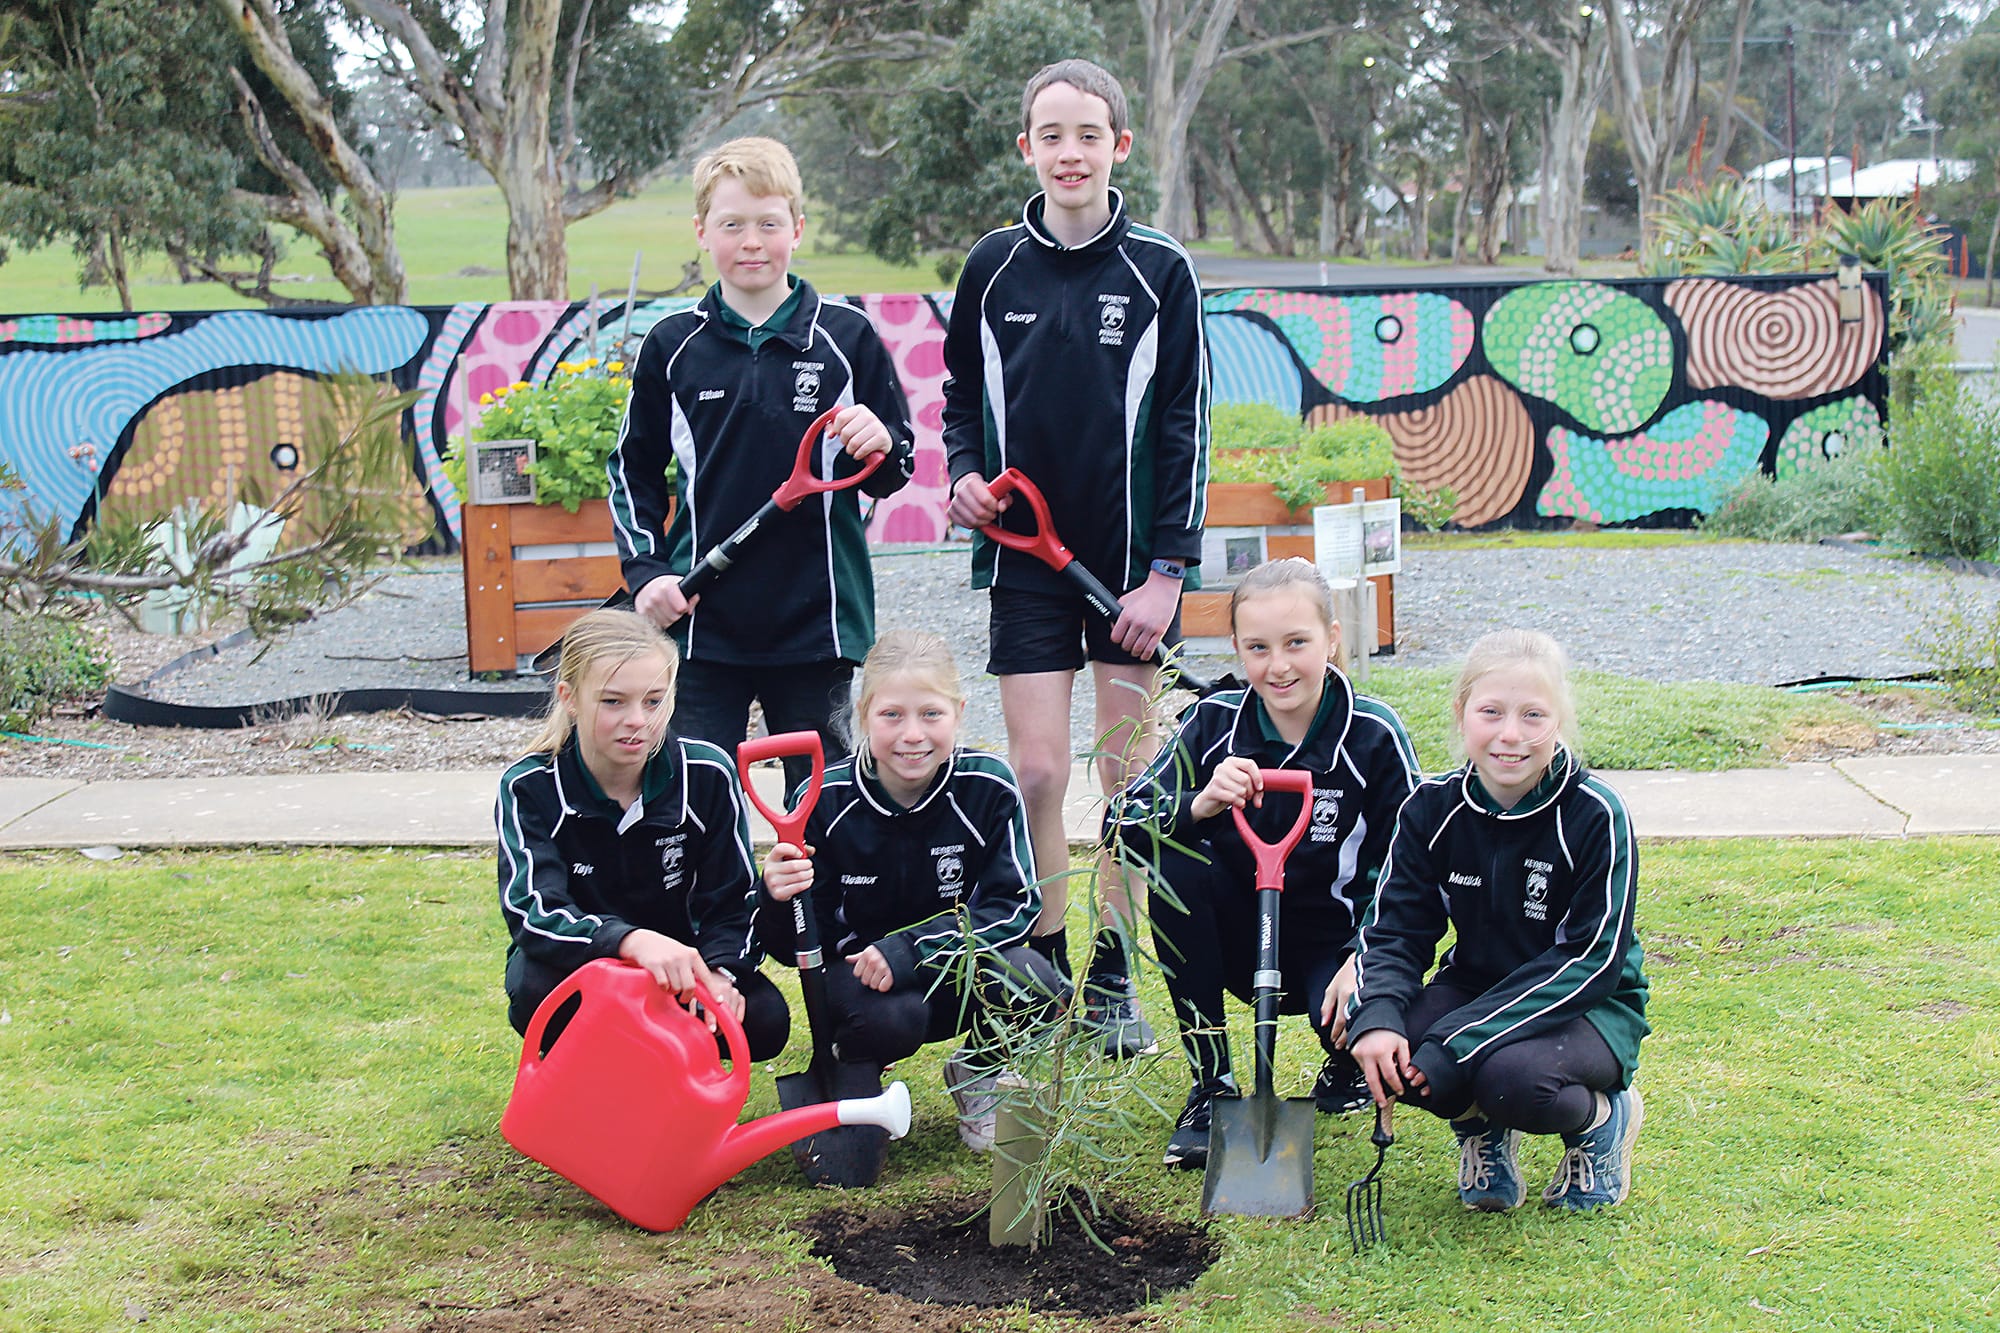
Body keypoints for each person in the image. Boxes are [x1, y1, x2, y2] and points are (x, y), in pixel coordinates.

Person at [942, 59, 1210, 1057]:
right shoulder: (991, 269)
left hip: (1133, 570)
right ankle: (1046, 962)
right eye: (1049, 134)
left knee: (1126, 781)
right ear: (1026, 148)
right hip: (1024, 560)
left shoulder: (1160, 271)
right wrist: (966, 475)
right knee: (1040, 770)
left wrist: (1167, 574)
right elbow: (959, 403)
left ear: (1118, 147)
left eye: (1086, 134)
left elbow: (1187, 423)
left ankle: (1112, 980)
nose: (1068, 152)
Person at [608, 135, 916, 794]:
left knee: (823, 806)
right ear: (701, 231)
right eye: (732, 224)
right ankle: (711, 905)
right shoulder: (672, 345)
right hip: (702, 621)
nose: (752, 241)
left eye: (769, 223)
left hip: (819, 621)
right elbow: (631, 469)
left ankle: (811, 904)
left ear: (797, 230)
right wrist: (646, 572)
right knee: (693, 802)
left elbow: (895, 466)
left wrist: (880, 443)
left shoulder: (847, 336)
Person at [1107, 558, 1419, 1168]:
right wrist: (1197, 804)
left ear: (1332, 638)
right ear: (1236, 649)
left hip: (1333, 945)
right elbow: (1120, 827)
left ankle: (1343, 1064)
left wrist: (1368, 959)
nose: (1278, 666)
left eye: (1297, 643)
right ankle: (1213, 1083)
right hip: (1235, 937)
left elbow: (1411, 866)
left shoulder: (1374, 735)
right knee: (1176, 870)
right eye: (1258, 648)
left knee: (1358, 1009)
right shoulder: (1212, 723)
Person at [1333, 628, 1650, 1212]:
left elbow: (1592, 961)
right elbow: (1395, 932)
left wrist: (1458, 1041)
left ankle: (1602, 1121)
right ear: (1461, 714)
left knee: (1512, 1080)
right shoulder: (1431, 808)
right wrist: (1376, 1017)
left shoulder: (1596, 814)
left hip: (1589, 1007)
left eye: (1533, 715)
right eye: (1491, 712)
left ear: (1559, 720)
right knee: (1396, 1049)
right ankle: (1480, 1132)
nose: (1510, 735)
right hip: (1477, 985)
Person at [757, 630, 1065, 1152]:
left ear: (959, 712)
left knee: (1036, 982)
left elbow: (1015, 904)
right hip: (861, 986)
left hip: (947, 964)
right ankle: (857, 1074)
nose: (912, 735)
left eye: (931, 714)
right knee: (893, 1017)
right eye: (892, 715)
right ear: (863, 715)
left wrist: (910, 950)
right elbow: (794, 947)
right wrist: (775, 896)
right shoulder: (821, 798)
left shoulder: (988, 785)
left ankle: (977, 1074)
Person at [496, 609, 788, 1061]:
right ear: (569, 698)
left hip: (680, 968)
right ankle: (602, 1070)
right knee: (533, 987)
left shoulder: (707, 772)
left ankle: (664, 1063)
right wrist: (629, 942)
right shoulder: (528, 786)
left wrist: (720, 973)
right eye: (613, 702)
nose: (638, 720)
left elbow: (732, 900)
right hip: (586, 964)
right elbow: (534, 912)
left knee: (766, 1020)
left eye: (653, 701)